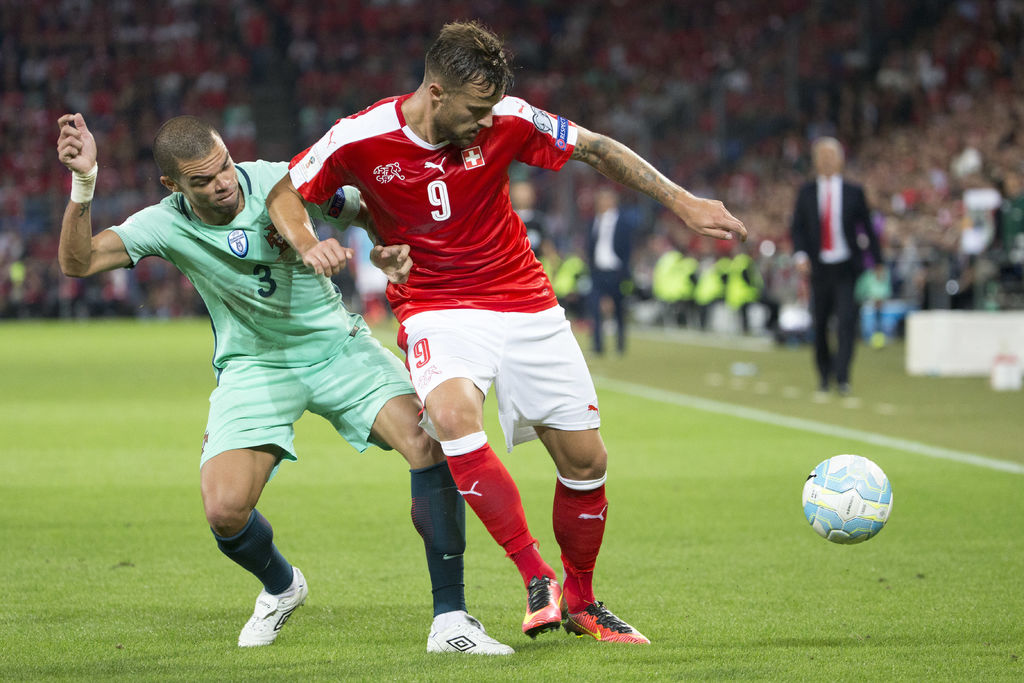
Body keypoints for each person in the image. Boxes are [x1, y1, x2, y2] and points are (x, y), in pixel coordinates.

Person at [266, 20, 746, 645]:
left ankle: (582, 598)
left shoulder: (507, 116)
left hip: (523, 298)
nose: (488, 122)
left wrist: (683, 203)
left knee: (585, 459)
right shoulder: (361, 136)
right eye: (475, 109)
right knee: (452, 414)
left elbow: (596, 148)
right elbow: (284, 192)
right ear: (435, 93)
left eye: (493, 108)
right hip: (437, 302)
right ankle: (534, 574)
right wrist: (309, 244)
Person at [55, 113, 512, 655]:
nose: (223, 182)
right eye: (202, 180)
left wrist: (389, 249)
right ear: (173, 187)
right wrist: (85, 182)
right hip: (254, 365)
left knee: (429, 442)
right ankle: (282, 586)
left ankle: (451, 619)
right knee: (225, 511)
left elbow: (367, 208)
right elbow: (77, 262)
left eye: (224, 166)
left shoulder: (284, 178)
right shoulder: (164, 222)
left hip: (336, 349)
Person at [790, 137, 882, 395]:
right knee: (819, 324)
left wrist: (877, 261)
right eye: (822, 156)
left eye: (832, 155)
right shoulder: (806, 192)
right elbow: (797, 228)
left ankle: (843, 377)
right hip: (819, 268)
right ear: (816, 161)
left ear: (841, 160)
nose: (828, 161)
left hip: (846, 266)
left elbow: (868, 228)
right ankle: (823, 375)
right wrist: (801, 256)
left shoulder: (854, 191)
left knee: (846, 323)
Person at [586, 186, 639, 355]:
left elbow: (627, 248)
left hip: (616, 271)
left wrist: (624, 269)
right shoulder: (594, 221)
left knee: (619, 309)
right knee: (594, 308)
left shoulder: (622, 222)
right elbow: (590, 245)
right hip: (598, 271)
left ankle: (620, 345)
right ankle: (598, 346)